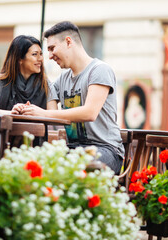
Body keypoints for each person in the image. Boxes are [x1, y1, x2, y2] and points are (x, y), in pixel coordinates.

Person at [20, 21, 124, 174]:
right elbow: (35, 90)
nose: (49, 56)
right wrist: (4, 82)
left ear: (68, 41)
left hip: (106, 150)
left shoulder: (100, 70)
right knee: (35, 162)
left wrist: (43, 113)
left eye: (52, 48)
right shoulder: (62, 80)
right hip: (73, 150)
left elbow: (90, 113)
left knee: (71, 165)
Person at [0, 35, 57, 115]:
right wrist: (12, 113)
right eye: (34, 54)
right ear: (19, 59)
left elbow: (54, 114)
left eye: (40, 54)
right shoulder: (2, 82)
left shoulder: (45, 84)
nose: (40, 58)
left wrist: (37, 112)